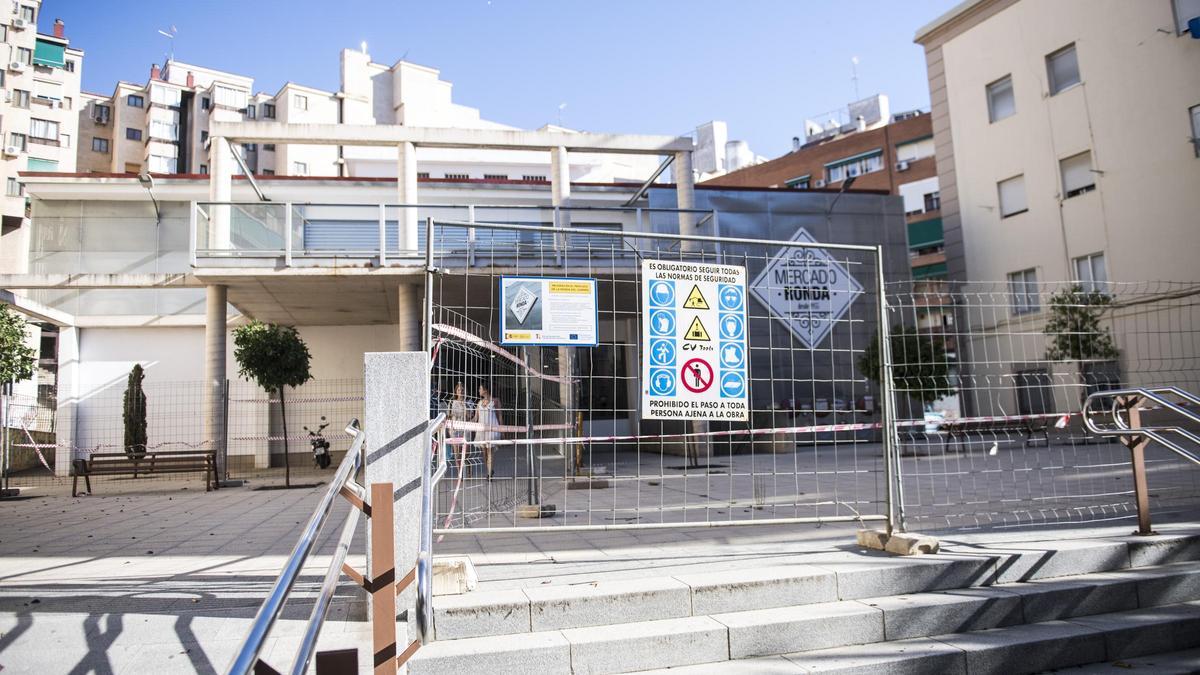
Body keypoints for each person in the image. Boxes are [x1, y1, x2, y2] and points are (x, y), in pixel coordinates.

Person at [475, 383, 500, 478]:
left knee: (490, 452)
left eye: (480, 388)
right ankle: (489, 469)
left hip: (492, 429)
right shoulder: (479, 403)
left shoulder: (495, 401)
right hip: (481, 431)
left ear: (485, 390)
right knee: (484, 453)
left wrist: (502, 430)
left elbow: (499, 416)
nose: (479, 390)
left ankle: (489, 474)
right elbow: (476, 417)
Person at [449, 382, 469, 474]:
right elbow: (450, 415)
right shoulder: (452, 402)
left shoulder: (467, 402)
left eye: (462, 390)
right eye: (458, 390)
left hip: (464, 429)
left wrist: (464, 406)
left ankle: (467, 469)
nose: (460, 392)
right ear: (456, 391)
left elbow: (469, 416)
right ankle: (459, 473)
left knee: (465, 453)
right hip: (455, 428)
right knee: (456, 453)